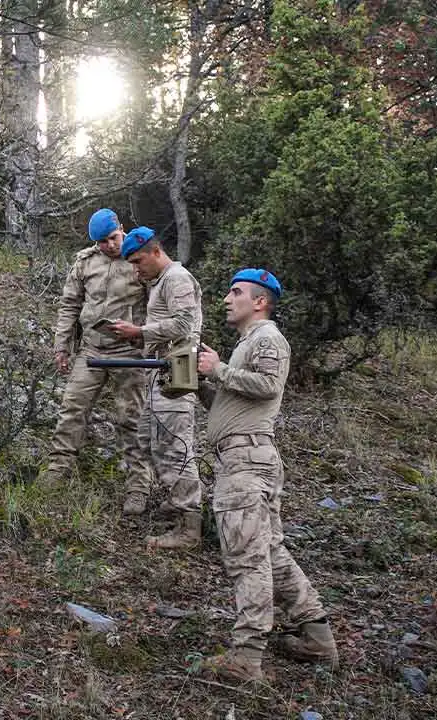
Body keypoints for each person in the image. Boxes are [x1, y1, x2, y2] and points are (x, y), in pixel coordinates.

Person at [194, 268, 338, 683]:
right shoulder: (245, 345)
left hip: (245, 462)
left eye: (235, 292)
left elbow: (268, 385)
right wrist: (197, 384)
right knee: (270, 552)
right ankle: (316, 636)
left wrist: (218, 369)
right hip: (244, 457)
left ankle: (247, 656)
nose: (226, 299)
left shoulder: (267, 338)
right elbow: (233, 403)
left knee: (246, 556)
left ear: (259, 302)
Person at [41, 209, 155, 516]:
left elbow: (157, 305)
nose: (109, 245)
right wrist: (62, 346)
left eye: (112, 238)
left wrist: (148, 342)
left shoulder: (139, 257)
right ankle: (57, 470)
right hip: (91, 349)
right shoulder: (85, 262)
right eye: (101, 241)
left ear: (122, 228)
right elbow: (69, 305)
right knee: (71, 409)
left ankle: (137, 486)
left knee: (131, 419)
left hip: (129, 354)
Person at [107, 227, 204, 549]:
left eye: (138, 261)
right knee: (152, 440)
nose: (136, 269)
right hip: (159, 375)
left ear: (156, 251)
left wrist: (139, 331)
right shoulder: (160, 281)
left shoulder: (176, 278)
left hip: (174, 375)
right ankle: (177, 502)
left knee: (175, 448)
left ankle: (189, 526)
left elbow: (185, 324)